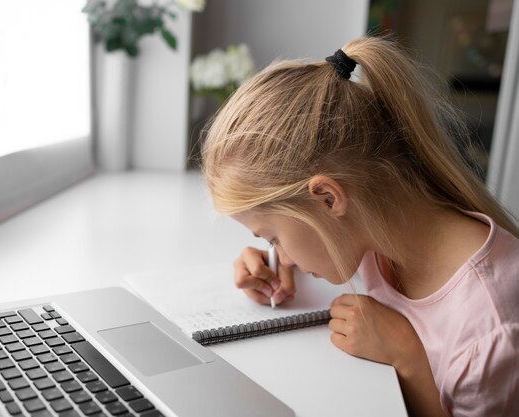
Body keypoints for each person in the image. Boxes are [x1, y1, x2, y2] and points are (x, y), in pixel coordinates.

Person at [200, 36, 519, 417]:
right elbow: (324, 240)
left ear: (328, 199)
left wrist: (408, 359)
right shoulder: (379, 228)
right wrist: (281, 265)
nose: (279, 252)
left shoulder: (492, 332)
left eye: (273, 237)